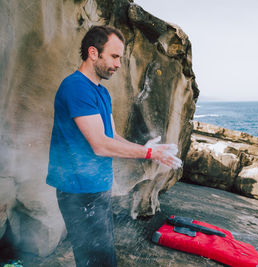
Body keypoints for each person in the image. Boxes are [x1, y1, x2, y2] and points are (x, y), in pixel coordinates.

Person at [46, 25, 181, 267]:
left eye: (120, 57)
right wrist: (148, 152)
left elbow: (112, 136)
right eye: (114, 56)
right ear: (93, 53)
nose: (118, 64)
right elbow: (99, 145)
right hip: (78, 192)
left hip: (96, 188)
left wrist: (144, 149)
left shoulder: (101, 92)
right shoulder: (76, 87)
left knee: (103, 260)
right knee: (97, 263)